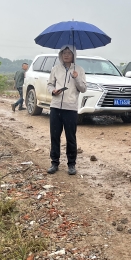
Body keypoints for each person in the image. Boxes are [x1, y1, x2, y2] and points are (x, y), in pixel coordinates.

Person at [46, 45, 87, 176]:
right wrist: (53, 91)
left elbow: (83, 89)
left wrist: (76, 78)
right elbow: (49, 84)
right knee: (54, 136)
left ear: (74, 55)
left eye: (69, 53)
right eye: (64, 52)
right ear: (60, 54)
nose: (66, 55)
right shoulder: (55, 69)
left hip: (70, 108)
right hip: (56, 107)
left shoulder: (79, 70)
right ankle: (54, 163)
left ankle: (71, 164)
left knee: (70, 137)